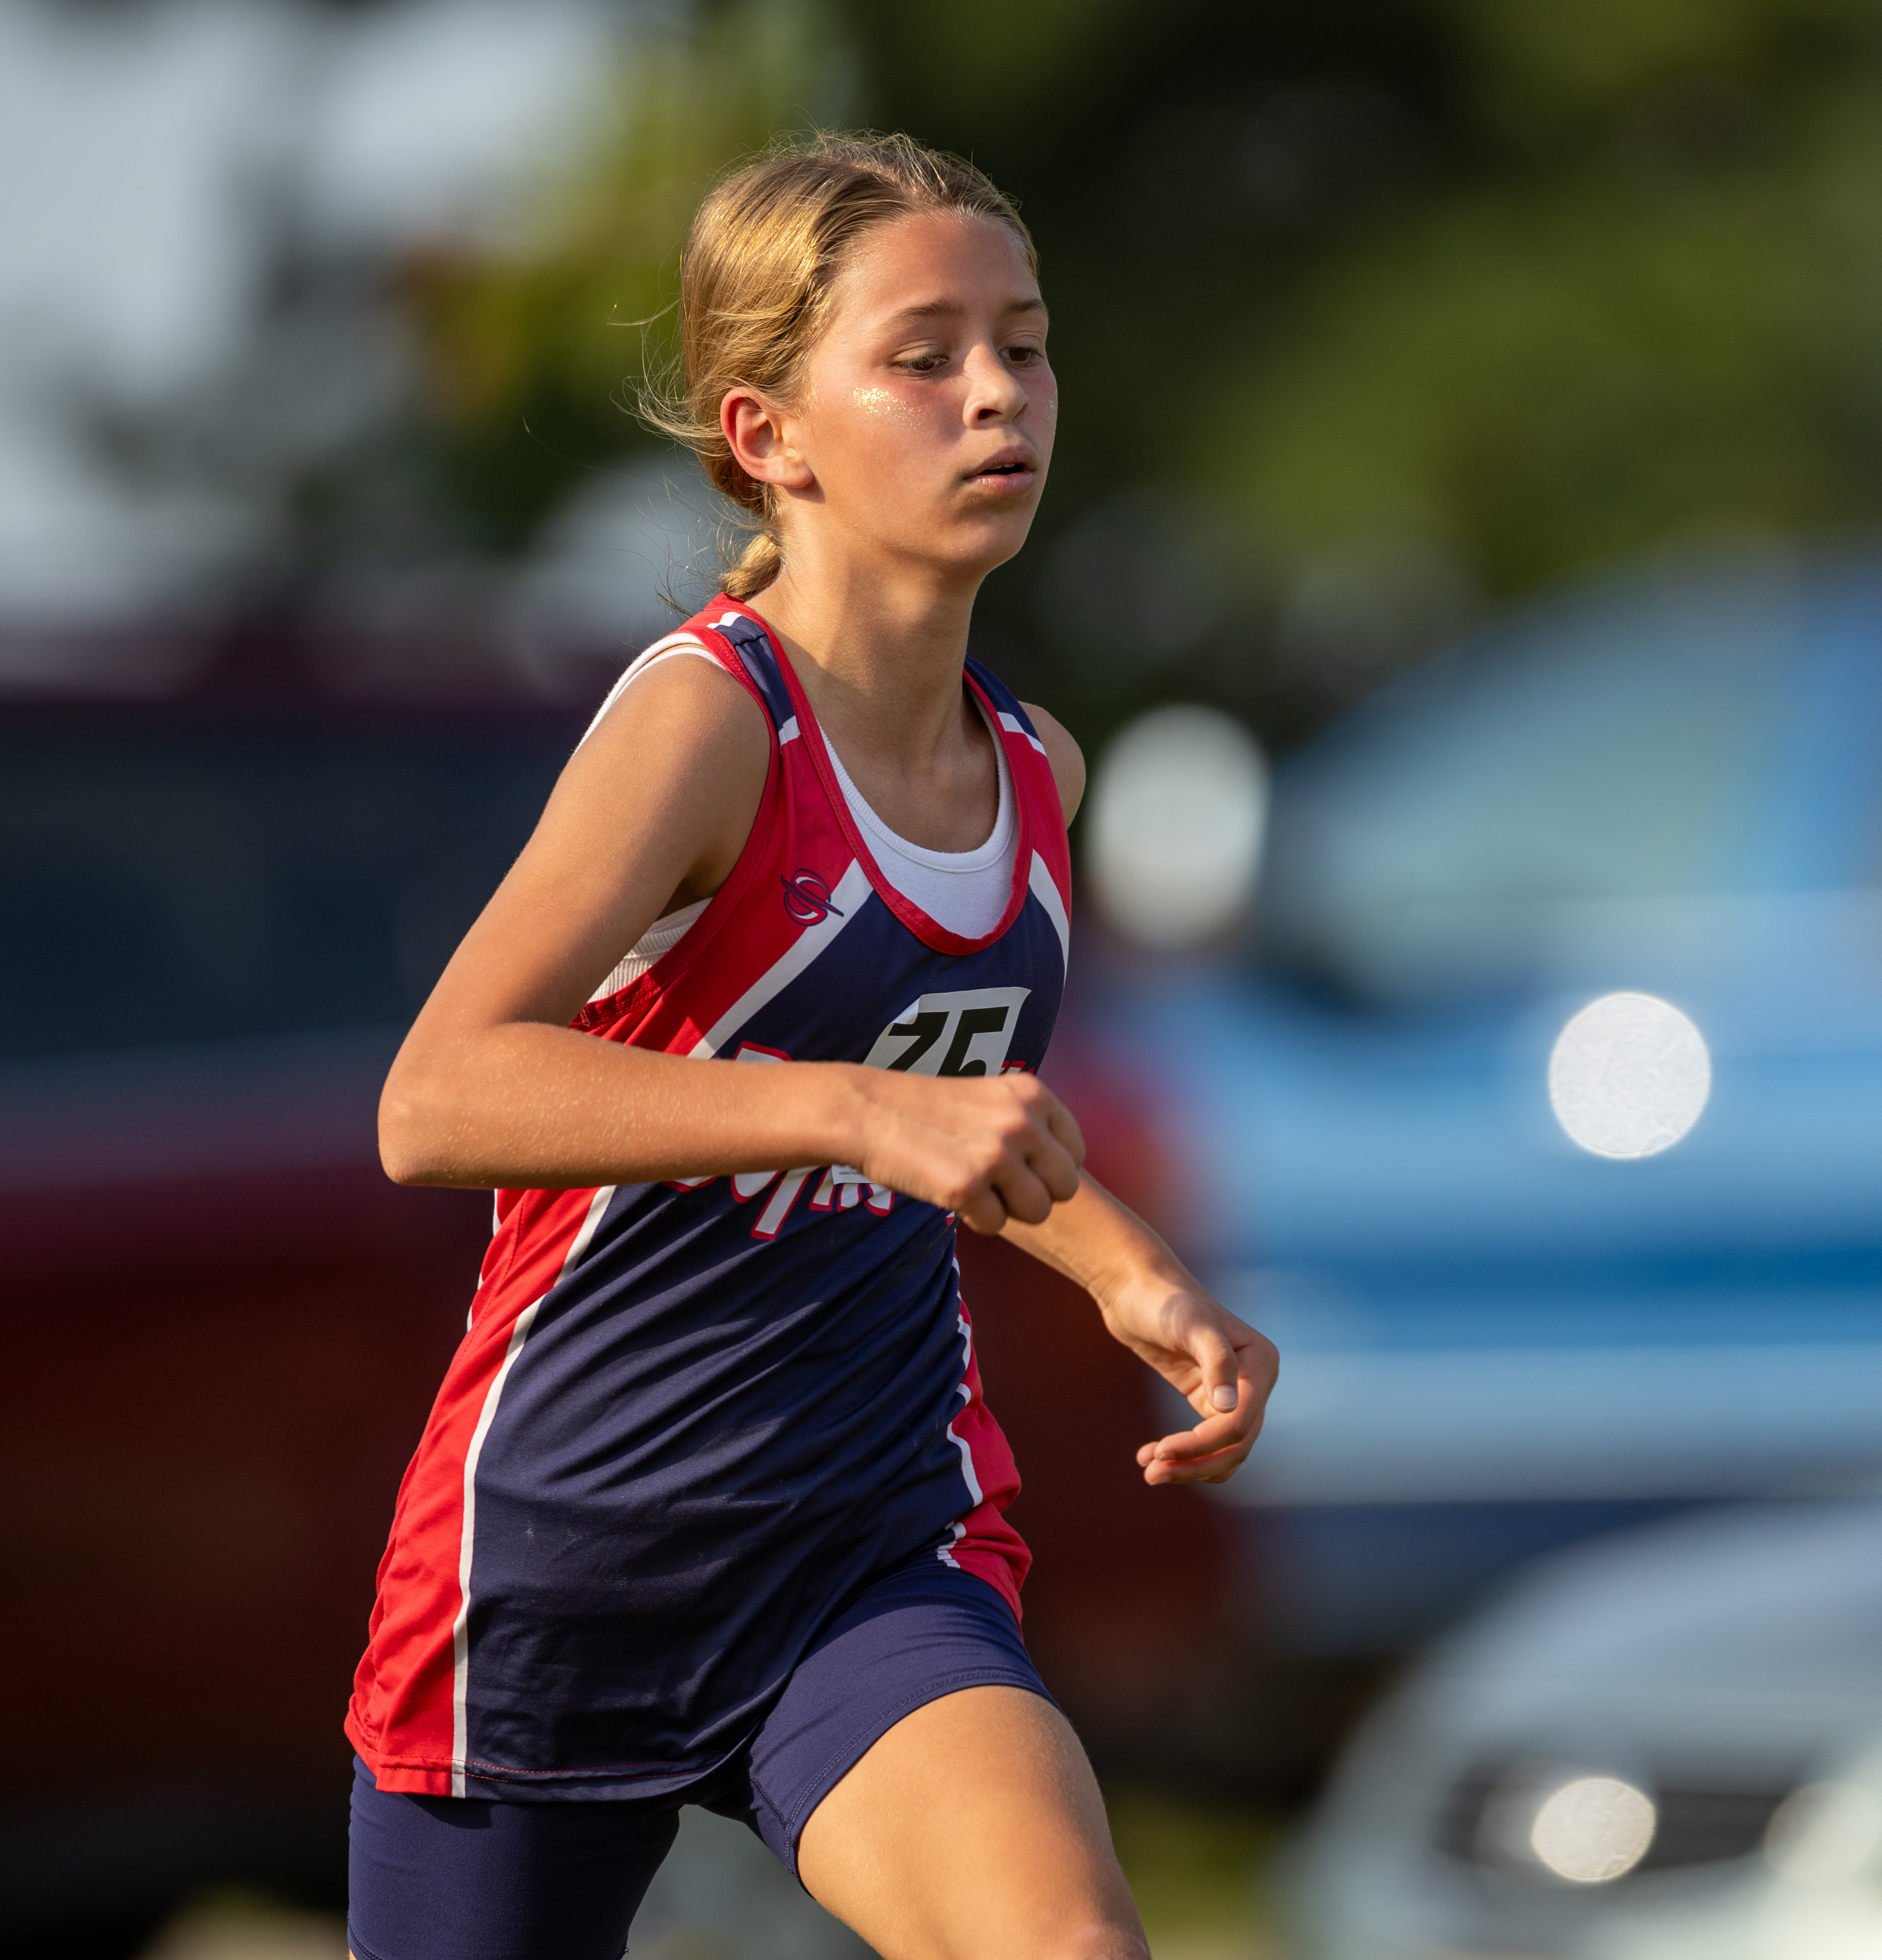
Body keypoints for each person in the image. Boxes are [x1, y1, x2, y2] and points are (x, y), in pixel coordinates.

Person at [342, 131, 1275, 1960]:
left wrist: (1131, 1275)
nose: (996, 393)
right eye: (923, 356)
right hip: (564, 1557)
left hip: (867, 1546)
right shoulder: (709, 725)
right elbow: (434, 1099)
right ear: (768, 434)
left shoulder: (1037, 769)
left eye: (1024, 344)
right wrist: (850, 1110)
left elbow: (955, 1109)